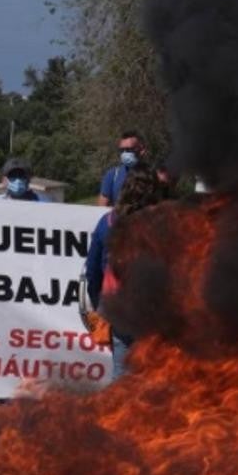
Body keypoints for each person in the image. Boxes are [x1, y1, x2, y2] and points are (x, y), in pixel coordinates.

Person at [85, 169, 163, 379]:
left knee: (121, 376)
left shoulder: (107, 222)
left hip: (118, 309)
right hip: (155, 313)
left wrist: (100, 305)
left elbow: (91, 272)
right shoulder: (163, 224)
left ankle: (120, 410)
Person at [97, 131, 148, 207]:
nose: (124, 153)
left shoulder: (151, 176)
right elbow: (101, 208)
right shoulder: (112, 175)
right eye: (122, 150)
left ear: (142, 150)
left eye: (129, 150)